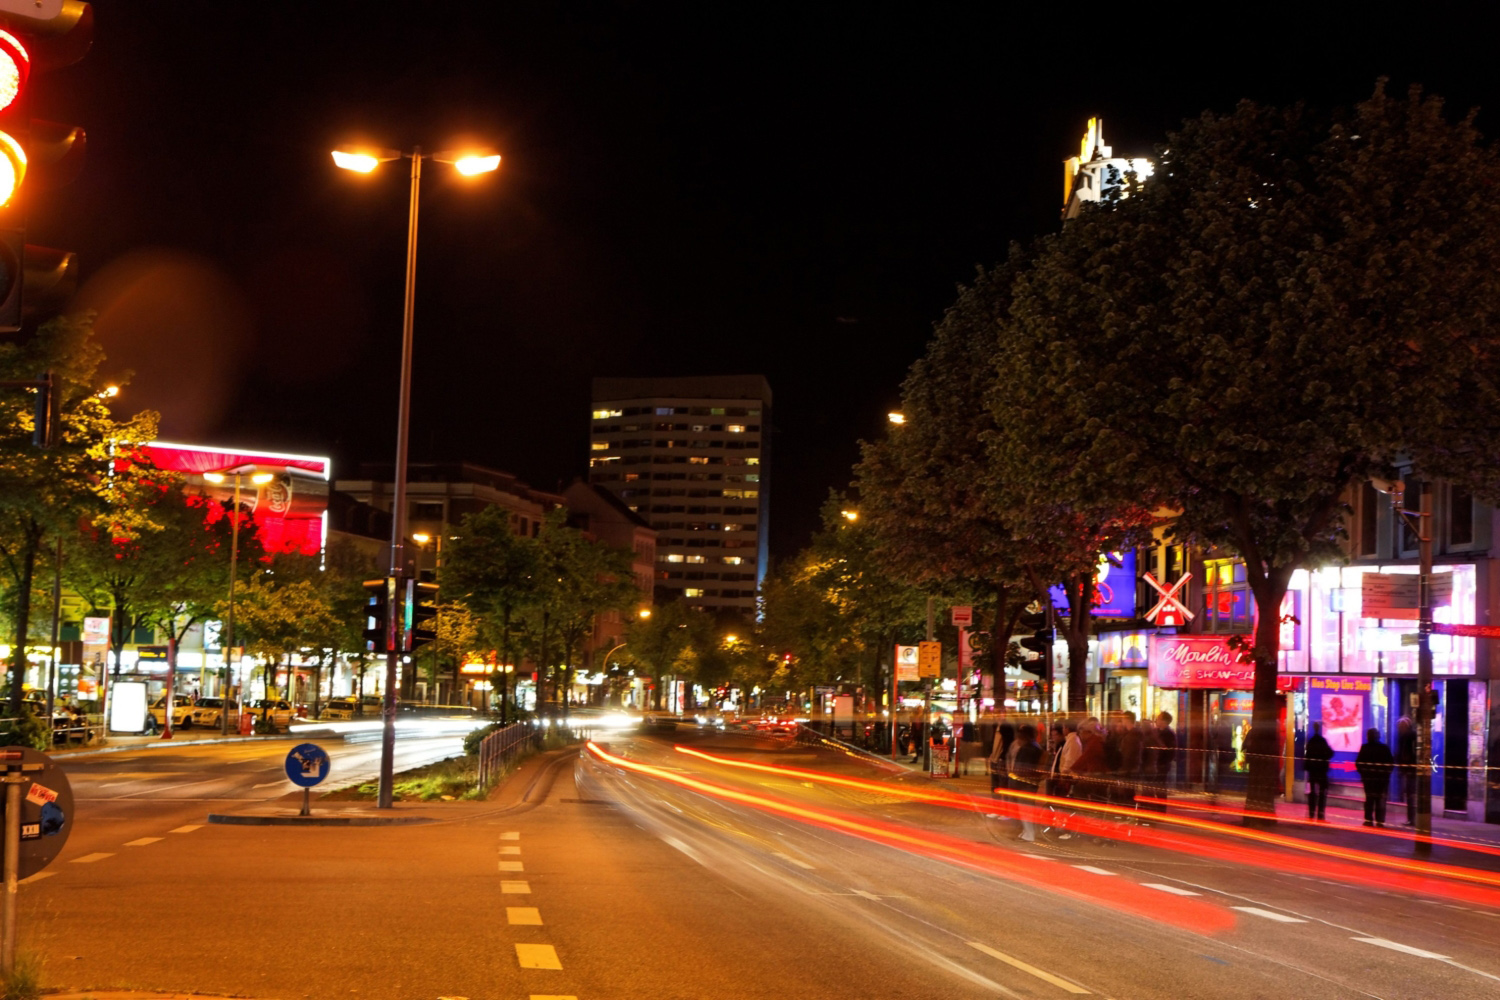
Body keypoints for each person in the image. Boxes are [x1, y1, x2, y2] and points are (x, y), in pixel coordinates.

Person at [1355, 727, 1395, 827]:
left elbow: (1359, 763)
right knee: (1379, 800)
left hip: (1369, 779)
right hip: (1381, 779)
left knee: (1369, 799)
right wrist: (1386, 775)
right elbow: (1390, 763)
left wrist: (1363, 774)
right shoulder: (1384, 748)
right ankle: (1380, 820)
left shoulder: (1365, 748)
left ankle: (1368, 819)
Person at [1010, 724, 1044, 842]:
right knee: (1027, 809)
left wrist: (1015, 779)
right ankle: (1027, 832)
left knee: (1026, 809)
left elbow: (1021, 768)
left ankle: (1029, 834)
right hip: (1030, 783)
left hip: (1025, 784)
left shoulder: (1027, 749)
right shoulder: (1036, 747)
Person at [1304, 721, 1334, 821]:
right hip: (1321, 770)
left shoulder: (1311, 741)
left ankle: (1311, 812)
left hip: (1312, 771)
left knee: (1312, 792)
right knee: (1322, 792)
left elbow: (1307, 756)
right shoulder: (1323, 741)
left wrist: (1307, 767)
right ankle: (1320, 813)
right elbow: (1330, 753)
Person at [1395, 717, 1418, 826]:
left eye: (1402, 726)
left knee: (1410, 795)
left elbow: (1405, 753)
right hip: (1409, 768)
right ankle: (1411, 819)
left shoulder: (1408, 736)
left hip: (1411, 769)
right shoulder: (1405, 736)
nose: (1400, 728)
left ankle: (1412, 819)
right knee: (1410, 795)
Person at [988, 722, 1015, 794]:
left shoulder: (1005, 727)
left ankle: (1002, 803)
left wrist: (1002, 757)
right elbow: (993, 743)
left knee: (1002, 786)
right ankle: (996, 803)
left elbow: (1007, 744)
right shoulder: (995, 726)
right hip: (994, 760)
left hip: (1001, 760)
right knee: (995, 786)